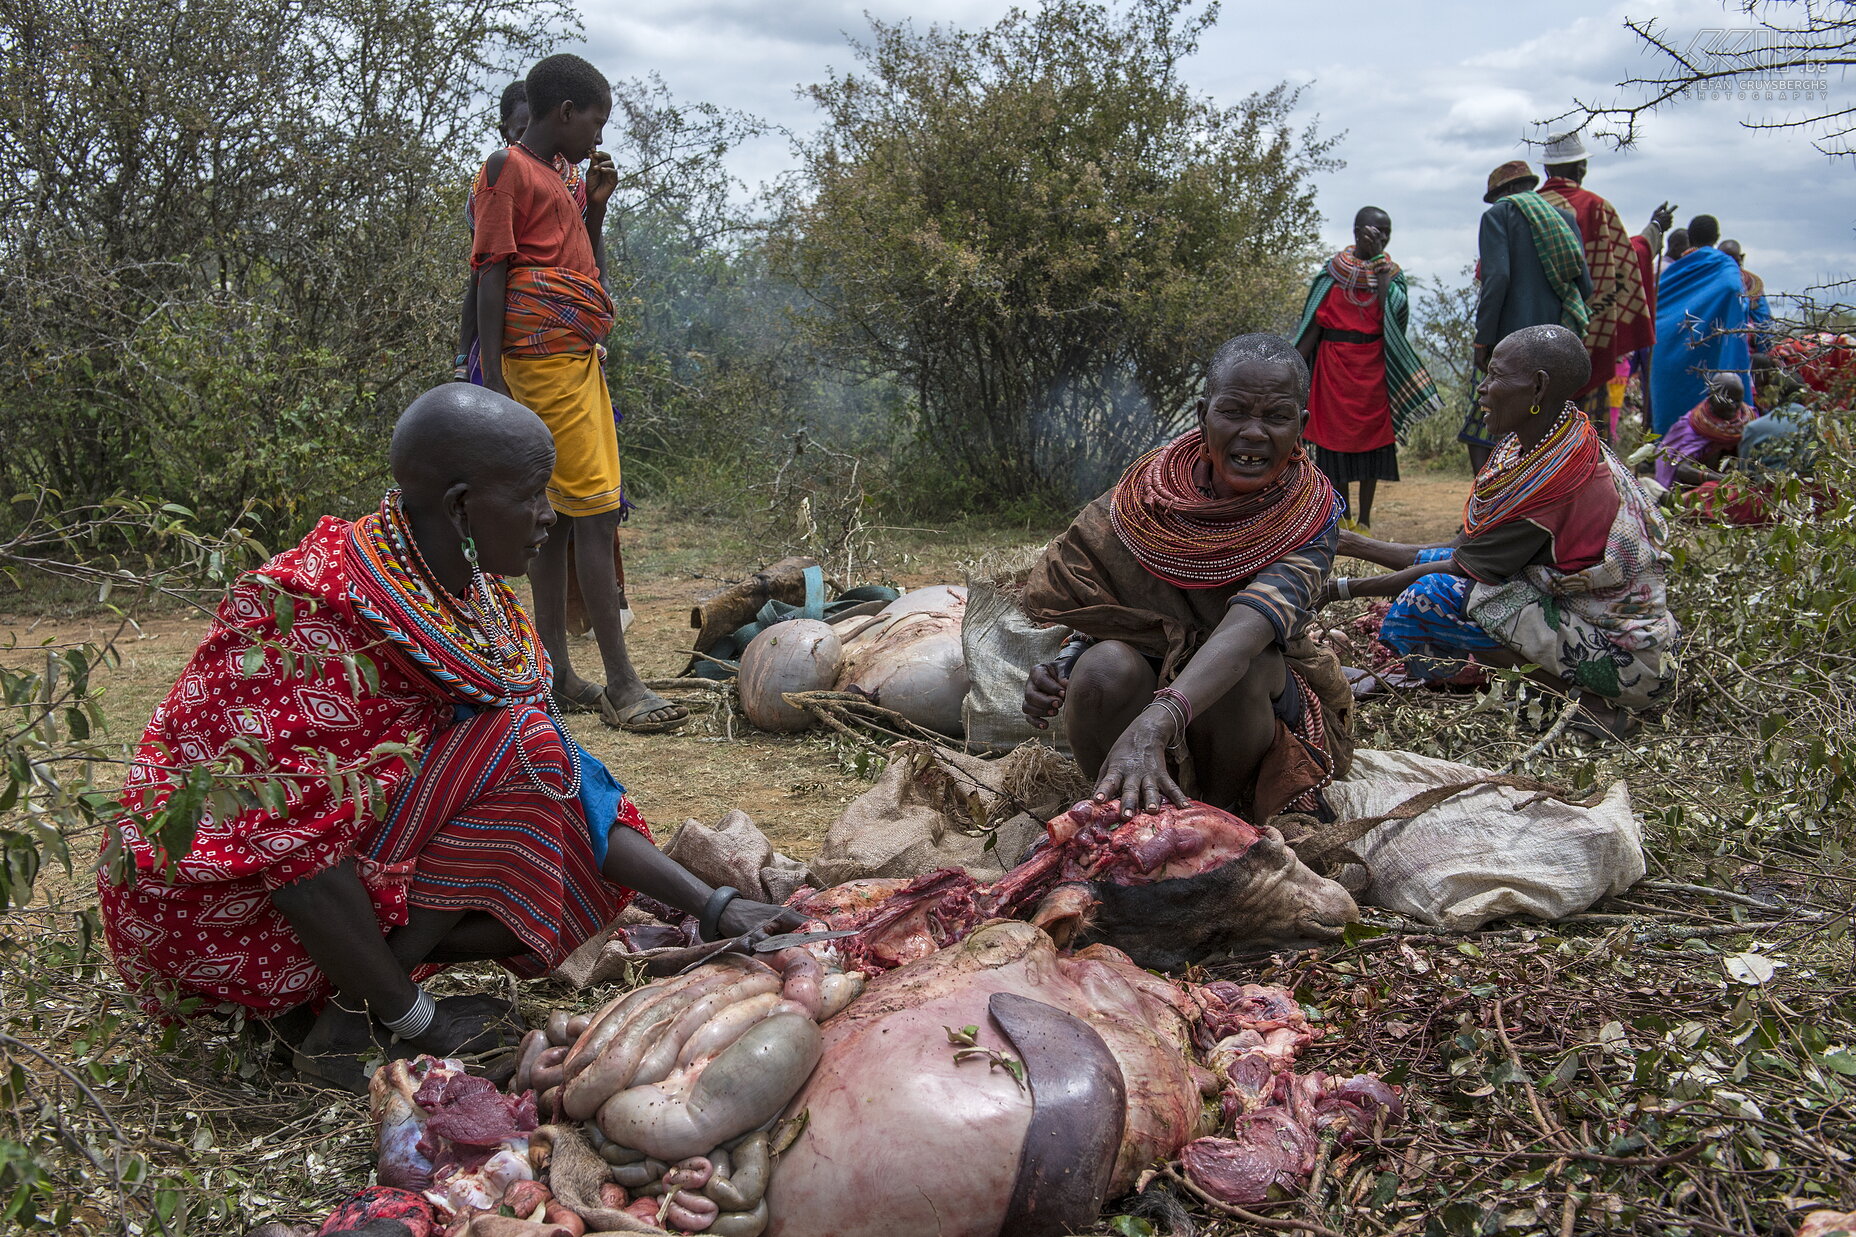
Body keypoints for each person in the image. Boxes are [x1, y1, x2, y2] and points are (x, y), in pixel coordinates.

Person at [97, 386, 800, 1092]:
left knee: (555, 854)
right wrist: (422, 1022)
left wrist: (710, 905)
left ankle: (360, 995)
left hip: (334, 876)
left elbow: (567, 776)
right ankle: (351, 1019)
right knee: (523, 754)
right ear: (462, 507)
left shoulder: (465, 596)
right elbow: (298, 866)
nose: (547, 517)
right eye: (529, 496)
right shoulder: (313, 619)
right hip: (216, 920)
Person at [1018, 334, 1354, 822]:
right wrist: (1064, 665)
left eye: (1276, 417)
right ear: (1203, 415)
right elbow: (1108, 607)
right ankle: (1121, 815)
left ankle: (1215, 818)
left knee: (1243, 665)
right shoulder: (1142, 502)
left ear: (1300, 426)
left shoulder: (1309, 517)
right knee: (1103, 667)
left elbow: (1245, 632)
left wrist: (1158, 720)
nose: (1254, 433)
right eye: (1233, 412)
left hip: (1251, 707)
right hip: (1150, 683)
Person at [1327, 325, 1678, 741]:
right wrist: (1345, 542)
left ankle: (1588, 711)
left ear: (1537, 387)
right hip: (1614, 636)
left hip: (1629, 660)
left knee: (1438, 595)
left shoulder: (1557, 484)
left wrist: (1337, 590)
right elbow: (1463, 547)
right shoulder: (1546, 446)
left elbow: (1458, 567)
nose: (1483, 388)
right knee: (1465, 589)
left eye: (1495, 375)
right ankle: (1505, 683)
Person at [473, 53, 684, 732]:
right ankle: (623, 687)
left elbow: (580, 270)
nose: (599, 137)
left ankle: (557, 673)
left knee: (562, 521)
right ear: (564, 113)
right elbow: (491, 275)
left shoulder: (557, 180)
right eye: (596, 121)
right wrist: (496, 384)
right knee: (595, 515)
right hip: (541, 369)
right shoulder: (508, 170)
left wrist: (593, 209)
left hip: (575, 363)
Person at [1293, 206, 1443, 530]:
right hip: (1333, 369)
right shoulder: (1331, 275)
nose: (1382, 238)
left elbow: (1394, 316)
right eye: (1375, 231)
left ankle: (1364, 519)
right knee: (1333, 443)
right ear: (1356, 231)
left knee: (1373, 440)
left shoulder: (1393, 275)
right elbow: (1312, 328)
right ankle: (1342, 514)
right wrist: (1291, 367)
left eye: (1387, 233)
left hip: (1373, 366)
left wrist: (1381, 271)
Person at [1458, 161, 1593, 470]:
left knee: (1482, 422)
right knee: (1544, 424)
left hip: (1507, 344)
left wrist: (1483, 341)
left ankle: (1490, 503)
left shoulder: (1498, 215)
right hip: (1555, 349)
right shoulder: (1564, 220)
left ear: (1503, 192)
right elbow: (1584, 285)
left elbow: (1498, 278)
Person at [456, 82, 589, 386]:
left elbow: (592, 267)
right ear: (505, 132)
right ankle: (466, 361)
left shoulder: (577, 185)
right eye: (521, 130)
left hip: (567, 328)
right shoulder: (497, 177)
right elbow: (485, 269)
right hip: (514, 324)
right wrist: (473, 362)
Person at [1536, 133, 1655, 417]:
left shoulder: (1524, 207)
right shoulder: (1596, 207)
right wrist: (1652, 235)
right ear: (1580, 168)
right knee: (1588, 425)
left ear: (1546, 169)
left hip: (1532, 335)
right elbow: (1625, 264)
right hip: (1588, 335)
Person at [1650, 214, 1752, 434]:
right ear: (1716, 237)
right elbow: (1734, 292)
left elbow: (1656, 307)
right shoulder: (1724, 266)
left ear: (1690, 238)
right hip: (1714, 350)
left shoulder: (1672, 272)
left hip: (1670, 350)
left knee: (1673, 417)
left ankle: (1670, 456)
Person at [1652, 371, 1755, 490]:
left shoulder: (1750, 420)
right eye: (1726, 398)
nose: (1732, 405)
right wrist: (1719, 479)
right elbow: (1681, 469)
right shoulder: (1689, 428)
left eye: (1737, 400)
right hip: (1698, 492)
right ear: (1710, 395)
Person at [1719, 239, 1774, 359]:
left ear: (1741, 258)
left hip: (1750, 355)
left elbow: (1763, 325)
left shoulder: (1753, 286)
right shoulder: (1712, 284)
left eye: (1734, 261)